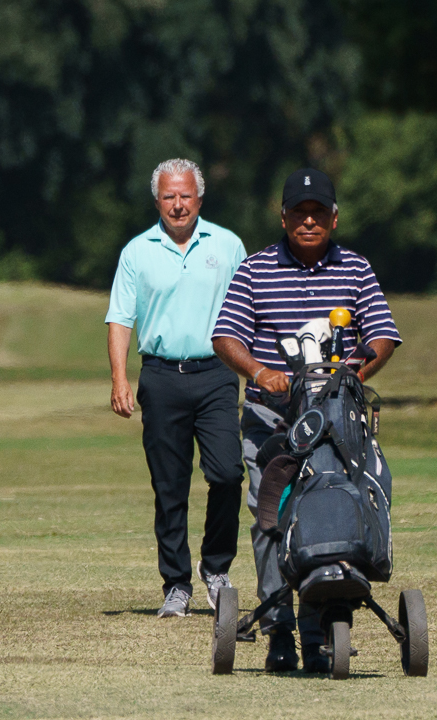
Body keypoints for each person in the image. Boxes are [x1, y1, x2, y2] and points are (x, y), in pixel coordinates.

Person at [212, 168, 401, 672]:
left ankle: (322, 626)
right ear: (284, 218)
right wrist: (260, 372)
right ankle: (279, 630)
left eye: (319, 213)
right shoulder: (255, 270)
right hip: (272, 420)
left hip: (338, 421)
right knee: (270, 517)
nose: (309, 221)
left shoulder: (356, 269)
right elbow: (226, 336)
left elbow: (383, 336)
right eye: (300, 213)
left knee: (334, 504)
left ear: (334, 218)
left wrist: (353, 375)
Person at [105, 159, 247, 617]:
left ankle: (216, 568)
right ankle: (176, 585)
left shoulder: (227, 245)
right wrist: (119, 378)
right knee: (169, 486)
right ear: (157, 201)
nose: (178, 204)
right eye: (169, 196)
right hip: (162, 376)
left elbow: (251, 310)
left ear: (199, 199)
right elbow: (120, 318)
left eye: (186, 195)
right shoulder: (136, 252)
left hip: (217, 374)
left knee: (227, 472)